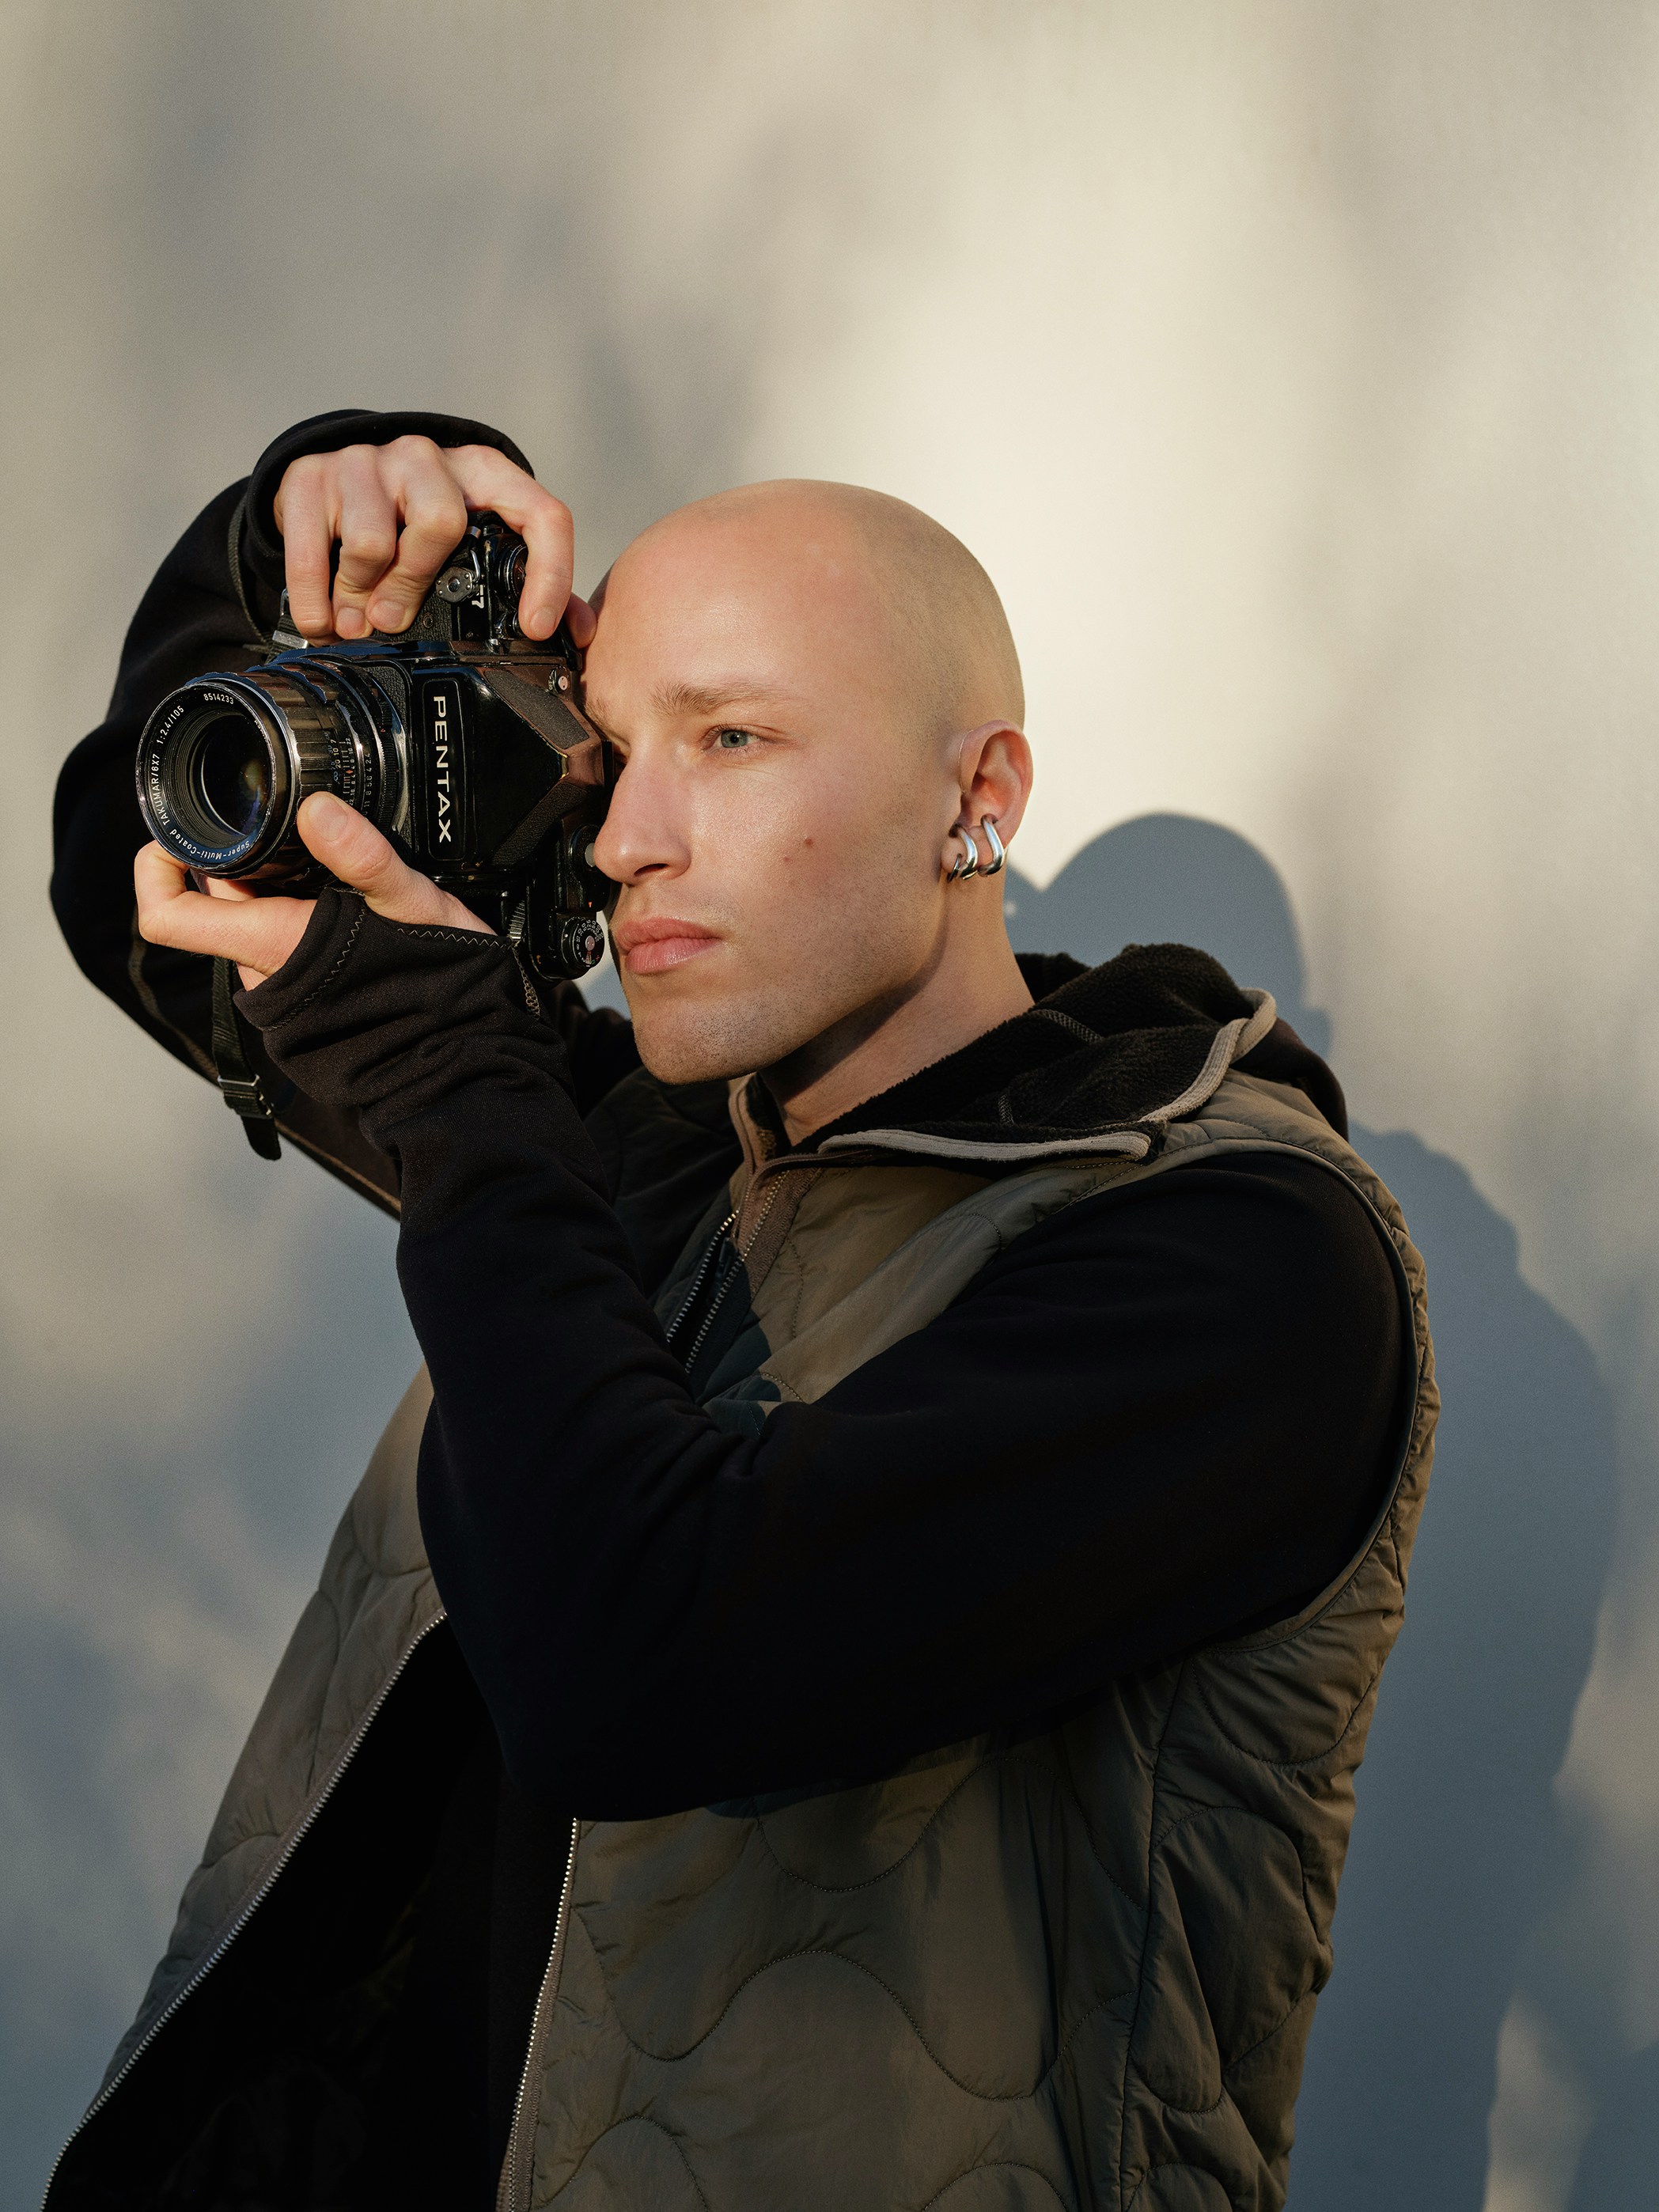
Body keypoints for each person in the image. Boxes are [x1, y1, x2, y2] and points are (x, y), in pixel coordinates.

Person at [44, 410, 1436, 2212]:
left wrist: (454, 1081)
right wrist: (288, 537)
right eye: (612, 751)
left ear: (979, 796)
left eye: (730, 740)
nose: (625, 839)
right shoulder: (643, 1148)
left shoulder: (1240, 1258)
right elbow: (149, 890)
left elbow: (637, 1667)